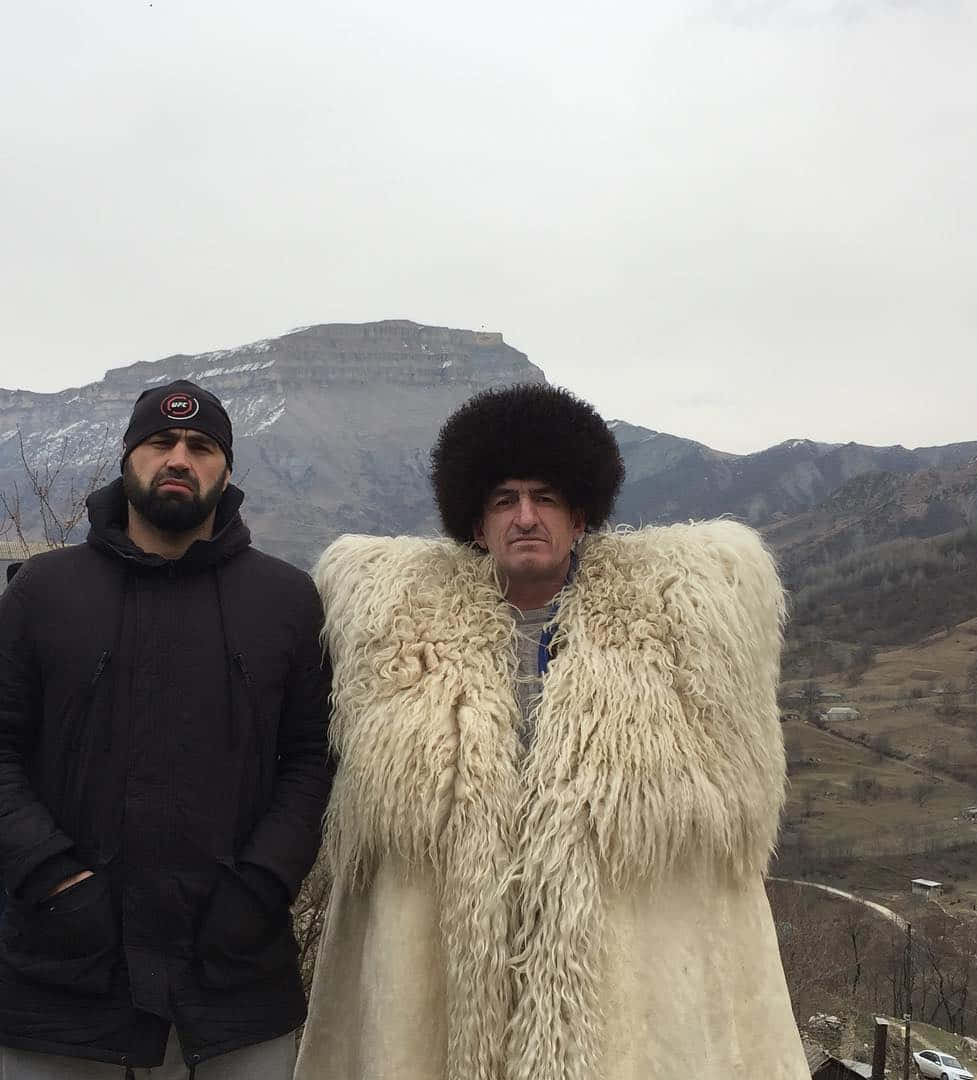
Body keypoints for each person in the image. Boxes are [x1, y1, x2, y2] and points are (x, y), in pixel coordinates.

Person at [297, 383, 809, 1079]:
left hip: (613, 979)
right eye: (505, 500)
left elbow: (707, 872)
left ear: (580, 516)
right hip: (451, 968)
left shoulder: (670, 642)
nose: (526, 517)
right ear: (477, 524)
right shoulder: (399, 648)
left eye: (546, 498)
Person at [0, 380, 332, 1078]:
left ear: (225, 470)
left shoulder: (286, 601)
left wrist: (262, 886)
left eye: (201, 446)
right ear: (128, 458)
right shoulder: (42, 592)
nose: (179, 457)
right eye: (161, 442)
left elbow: (310, 759)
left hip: (232, 978)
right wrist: (55, 877)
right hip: (63, 979)